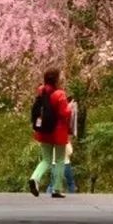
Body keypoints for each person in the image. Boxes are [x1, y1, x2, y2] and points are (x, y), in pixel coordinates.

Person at [28, 67, 72, 198]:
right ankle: (57, 189)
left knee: (46, 159)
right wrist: (71, 108)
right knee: (59, 160)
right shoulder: (60, 94)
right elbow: (64, 113)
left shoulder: (41, 91)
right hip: (58, 132)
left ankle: (35, 178)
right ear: (57, 79)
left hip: (45, 130)